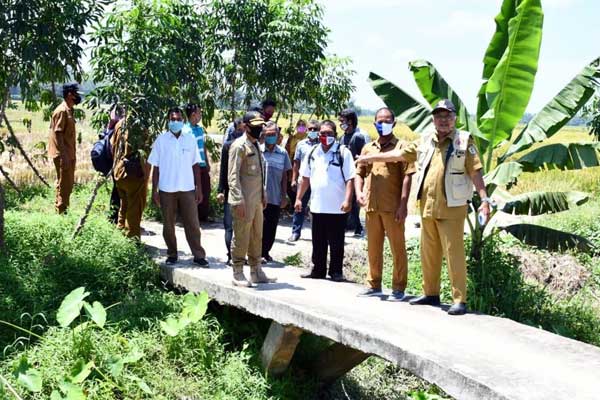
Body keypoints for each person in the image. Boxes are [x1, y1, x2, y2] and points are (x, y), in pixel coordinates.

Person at [357, 99, 491, 315]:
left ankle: (460, 299)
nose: (443, 120)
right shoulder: (426, 140)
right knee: (428, 253)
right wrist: (371, 157)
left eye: (447, 116)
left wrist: (484, 200)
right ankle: (431, 293)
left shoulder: (463, 141)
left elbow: (475, 172)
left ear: (455, 118)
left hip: (451, 206)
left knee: (453, 253)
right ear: (433, 119)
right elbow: (398, 155)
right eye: (439, 116)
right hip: (427, 206)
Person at [355, 107, 415, 301]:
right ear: (374, 124)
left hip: (393, 207)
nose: (383, 124)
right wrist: (358, 192)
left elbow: (408, 177)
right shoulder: (368, 148)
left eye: (387, 120)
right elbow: (359, 173)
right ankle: (373, 284)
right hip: (371, 206)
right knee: (373, 247)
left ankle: (398, 287)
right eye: (379, 121)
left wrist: (403, 204)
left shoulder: (402, 147)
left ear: (394, 123)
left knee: (397, 247)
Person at [295, 120, 355, 282]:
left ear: (335, 135)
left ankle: (336, 271)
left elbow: (350, 178)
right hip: (317, 206)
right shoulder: (313, 152)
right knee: (318, 241)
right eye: (323, 134)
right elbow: (305, 178)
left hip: (337, 207)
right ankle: (318, 269)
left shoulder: (343, 152)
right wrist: (299, 198)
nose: (325, 136)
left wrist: (348, 200)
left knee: (336, 242)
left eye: (329, 134)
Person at [148, 107, 209, 267]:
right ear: (168, 120)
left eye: (178, 119)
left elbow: (196, 165)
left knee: (193, 224)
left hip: (187, 188)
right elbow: (156, 167)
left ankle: (198, 255)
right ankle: (172, 254)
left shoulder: (190, 139)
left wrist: (199, 188)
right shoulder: (161, 140)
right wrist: (154, 190)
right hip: (166, 189)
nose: (175, 122)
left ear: (183, 120)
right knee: (168, 224)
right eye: (172, 119)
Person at [228, 111, 276, 286]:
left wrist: (264, 194)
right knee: (241, 235)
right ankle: (238, 272)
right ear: (245, 127)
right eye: (255, 127)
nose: (259, 130)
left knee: (257, 235)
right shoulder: (239, 146)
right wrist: (238, 200)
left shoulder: (256, 145)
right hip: (243, 200)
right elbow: (232, 176)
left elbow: (260, 174)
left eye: (260, 126)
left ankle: (256, 271)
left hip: (256, 200)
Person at [111, 116, 148, 239]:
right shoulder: (138, 124)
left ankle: (120, 232)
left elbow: (112, 145)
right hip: (131, 173)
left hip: (119, 171)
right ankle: (132, 240)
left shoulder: (120, 123)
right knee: (134, 207)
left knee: (124, 204)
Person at [48, 82, 82, 214]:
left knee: (65, 184)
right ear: (69, 95)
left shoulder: (69, 110)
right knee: (64, 186)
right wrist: (65, 156)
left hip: (68, 154)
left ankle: (61, 211)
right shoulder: (62, 111)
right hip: (64, 155)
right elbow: (58, 133)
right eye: (75, 94)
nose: (77, 97)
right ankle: (62, 214)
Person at [261, 121, 292, 263]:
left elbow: (285, 175)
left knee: (271, 227)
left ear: (278, 135)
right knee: (258, 226)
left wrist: (284, 194)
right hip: (259, 198)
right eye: (268, 135)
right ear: (263, 135)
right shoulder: (258, 150)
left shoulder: (282, 153)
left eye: (273, 134)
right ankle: (257, 252)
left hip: (275, 196)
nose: (271, 137)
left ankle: (266, 252)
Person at [217, 117, 245, 265]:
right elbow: (223, 170)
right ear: (234, 130)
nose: (241, 132)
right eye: (238, 130)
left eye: (243, 130)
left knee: (243, 226)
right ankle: (230, 255)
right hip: (230, 191)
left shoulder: (251, 147)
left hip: (246, 192)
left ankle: (241, 255)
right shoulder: (227, 146)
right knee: (229, 226)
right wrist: (220, 190)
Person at [288, 119, 320, 242]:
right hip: (303, 179)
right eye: (310, 129)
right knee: (299, 204)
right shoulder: (301, 144)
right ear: (307, 130)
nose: (312, 131)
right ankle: (296, 232)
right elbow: (296, 163)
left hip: (317, 180)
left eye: (315, 129)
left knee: (317, 208)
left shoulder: (322, 144)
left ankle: (317, 234)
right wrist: (294, 179)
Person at [338, 108, 368, 236]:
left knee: (354, 200)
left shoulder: (358, 137)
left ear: (350, 121)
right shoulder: (342, 137)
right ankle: (346, 225)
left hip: (355, 173)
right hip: (343, 173)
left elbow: (363, 157)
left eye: (342, 121)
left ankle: (358, 227)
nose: (341, 123)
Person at [183, 103, 212, 223]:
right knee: (194, 191)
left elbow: (203, 146)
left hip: (202, 165)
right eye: (199, 112)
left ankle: (202, 216)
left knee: (206, 189)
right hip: (192, 167)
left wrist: (207, 161)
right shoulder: (185, 130)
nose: (201, 115)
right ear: (193, 114)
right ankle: (191, 217)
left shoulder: (199, 129)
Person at [104, 105, 125, 224]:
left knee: (117, 191)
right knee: (118, 191)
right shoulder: (119, 124)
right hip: (117, 161)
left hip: (116, 161)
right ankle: (114, 218)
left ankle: (115, 218)